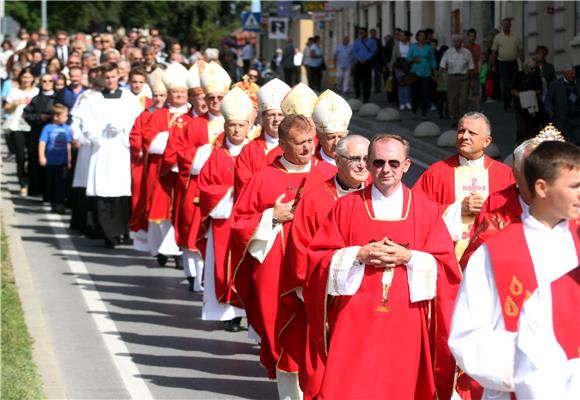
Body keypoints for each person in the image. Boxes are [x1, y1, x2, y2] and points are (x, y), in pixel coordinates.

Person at [305, 134, 460, 399]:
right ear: (367, 163)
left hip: (407, 320)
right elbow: (317, 259)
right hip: (355, 321)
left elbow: (447, 269)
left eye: (393, 163)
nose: (385, 170)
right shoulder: (346, 207)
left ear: (407, 165)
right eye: (378, 162)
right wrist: (357, 254)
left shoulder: (425, 211)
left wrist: (409, 257)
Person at [450, 140, 580, 400]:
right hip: (516, 390)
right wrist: (535, 371)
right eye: (574, 186)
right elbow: (467, 336)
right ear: (541, 187)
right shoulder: (494, 253)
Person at [229, 114, 328, 399]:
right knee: (283, 335)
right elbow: (239, 223)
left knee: (317, 335)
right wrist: (271, 217)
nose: (308, 148)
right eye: (299, 143)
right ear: (282, 144)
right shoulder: (264, 177)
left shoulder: (327, 176)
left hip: (314, 271)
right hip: (276, 272)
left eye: (311, 141)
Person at [278, 94, 366, 397]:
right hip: (324, 297)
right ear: (337, 162)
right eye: (353, 159)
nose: (361, 165)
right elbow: (301, 250)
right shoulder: (316, 199)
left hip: (368, 299)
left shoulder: (380, 198)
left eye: (366, 160)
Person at [413, 112, 514, 260]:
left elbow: (515, 214)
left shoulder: (504, 175)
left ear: (486, 141)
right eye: (461, 131)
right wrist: (458, 209)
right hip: (448, 256)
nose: (464, 136)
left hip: (492, 256)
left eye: (471, 133)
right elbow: (418, 211)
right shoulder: (438, 172)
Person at [197, 87, 253, 332]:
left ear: (248, 126)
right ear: (226, 126)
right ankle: (229, 313)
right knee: (223, 266)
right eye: (232, 125)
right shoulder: (217, 155)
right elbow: (205, 187)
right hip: (223, 219)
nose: (237, 130)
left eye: (241, 125)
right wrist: (228, 191)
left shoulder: (254, 152)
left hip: (249, 220)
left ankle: (247, 312)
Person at [174, 61, 230, 291]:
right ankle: (197, 279)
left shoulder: (237, 122)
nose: (215, 102)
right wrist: (204, 154)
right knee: (195, 229)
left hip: (226, 189)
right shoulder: (194, 124)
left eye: (219, 98)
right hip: (198, 185)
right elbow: (181, 153)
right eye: (211, 98)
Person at [82, 62, 142, 248]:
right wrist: (101, 130)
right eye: (107, 77)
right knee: (101, 190)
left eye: (113, 76)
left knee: (120, 190)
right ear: (102, 78)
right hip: (101, 148)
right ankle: (107, 233)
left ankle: (120, 230)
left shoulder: (129, 99)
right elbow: (86, 124)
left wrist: (124, 127)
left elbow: (138, 121)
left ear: (119, 76)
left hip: (120, 148)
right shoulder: (94, 100)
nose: (110, 80)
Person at [142, 63, 192, 267]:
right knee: (161, 212)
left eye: (182, 92)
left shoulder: (192, 115)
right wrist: (173, 140)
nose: (178, 95)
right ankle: (162, 249)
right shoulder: (159, 115)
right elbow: (150, 141)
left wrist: (173, 141)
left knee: (182, 211)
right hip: (162, 171)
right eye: (175, 92)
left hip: (185, 171)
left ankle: (178, 249)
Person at [127, 68, 168, 252]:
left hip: (167, 164)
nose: (159, 99)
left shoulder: (172, 115)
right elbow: (135, 136)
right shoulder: (144, 114)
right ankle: (149, 241)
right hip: (146, 165)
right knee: (145, 199)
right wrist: (142, 148)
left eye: (162, 95)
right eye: (156, 95)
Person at [233, 78, 291, 197]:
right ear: (262, 118)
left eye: (280, 115)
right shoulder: (248, 150)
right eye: (271, 115)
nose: (276, 119)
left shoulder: (294, 147)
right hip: (256, 209)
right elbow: (243, 184)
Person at [4, 67, 39, 196]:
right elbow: (6, 109)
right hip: (17, 126)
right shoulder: (14, 91)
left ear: (33, 79)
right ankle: (22, 183)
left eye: (29, 77)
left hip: (32, 127)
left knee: (31, 156)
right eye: (24, 77)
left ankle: (31, 182)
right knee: (20, 156)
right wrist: (16, 103)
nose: (26, 80)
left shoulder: (37, 91)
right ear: (20, 78)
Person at [23, 73, 57, 198]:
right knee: (35, 162)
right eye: (44, 81)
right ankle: (36, 189)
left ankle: (50, 192)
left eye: (50, 81)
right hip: (37, 134)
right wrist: (39, 117)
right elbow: (26, 115)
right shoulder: (36, 99)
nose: (47, 83)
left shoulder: (57, 97)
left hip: (54, 137)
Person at [38, 104, 72, 214]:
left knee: (61, 183)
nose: (67, 118)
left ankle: (60, 204)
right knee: (51, 182)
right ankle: (53, 202)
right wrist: (42, 156)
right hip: (51, 160)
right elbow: (42, 142)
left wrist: (69, 159)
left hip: (62, 161)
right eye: (64, 116)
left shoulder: (67, 128)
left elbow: (68, 145)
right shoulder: (48, 128)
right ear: (56, 116)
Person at [439, 34, 474, 126]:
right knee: (452, 100)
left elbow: (471, 67)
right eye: (454, 41)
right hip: (452, 77)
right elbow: (442, 65)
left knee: (463, 100)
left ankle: (463, 120)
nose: (456, 43)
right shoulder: (448, 52)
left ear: (461, 42)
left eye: (458, 41)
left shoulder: (467, 53)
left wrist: (472, 81)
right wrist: (440, 76)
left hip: (464, 78)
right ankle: (454, 119)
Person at [490, 18, 523, 112]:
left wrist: (523, 62)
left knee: (514, 83)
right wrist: (493, 65)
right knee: (505, 84)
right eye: (504, 24)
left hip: (513, 62)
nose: (506, 26)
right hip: (502, 62)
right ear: (502, 25)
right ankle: (506, 104)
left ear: (510, 25)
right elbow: (494, 52)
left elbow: (520, 50)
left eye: (508, 24)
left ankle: (514, 102)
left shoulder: (515, 37)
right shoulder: (498, 37)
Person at [545, 64, 580, 145]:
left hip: (577, 117)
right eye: (571, 74)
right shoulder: (555, 85)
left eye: (574, 73)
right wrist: (550, 110)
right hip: (563, 118)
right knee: (562, 141)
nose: (573, 75)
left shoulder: (578, 82)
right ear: (565, 74)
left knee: (578, 139)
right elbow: (548, 99)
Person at [511, 59, 544, 142]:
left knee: (533, 127)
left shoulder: (536, 75)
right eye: (531, 68)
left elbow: (540, 89)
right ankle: (519, 143)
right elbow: (512, 90)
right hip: (519, 105)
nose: (533, 70)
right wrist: (521, 95)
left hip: (533, 104)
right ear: (526, 67)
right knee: (522, 127)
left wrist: (530, 94)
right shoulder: (518, 75)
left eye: (534, 68)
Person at [407, 30, 436, 120]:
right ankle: (414, 111)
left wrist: (435, 73)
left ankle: (424, 113)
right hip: (415, 73)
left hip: (426, 73)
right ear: (417, 37)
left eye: (424, 36)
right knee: (414, 94)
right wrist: (413, 60)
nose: (422, 38)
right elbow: (408, 58)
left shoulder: (428, 48)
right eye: (420, 36)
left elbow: (432, 61)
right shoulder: (413, 47)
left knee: (425, 94)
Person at [352, 28, 377, 103]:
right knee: (356, 80)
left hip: (367, 63)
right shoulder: (356, 42)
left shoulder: (372, 41)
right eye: (360, 33)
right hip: (358, 62)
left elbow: (374, 51)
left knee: (367, 81)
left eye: (362, 32)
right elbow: (354, 51)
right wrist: (359, 59)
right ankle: (357, 93)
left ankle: (366, 97)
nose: (361, 34)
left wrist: (366, 58)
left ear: (366, 33)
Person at [389, 30, 412, 110]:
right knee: (401, 84)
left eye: (402, 35)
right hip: (399, 66)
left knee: (408, 84)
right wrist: (391, 67)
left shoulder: (411, 45)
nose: (400, 37)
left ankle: (408, 101)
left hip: (408, 66)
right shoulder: (397, 45)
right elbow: (393, 56)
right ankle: (402, 102)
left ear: (406, 37)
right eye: (400, 35)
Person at [465, 29, 482, 112]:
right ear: (468, 37)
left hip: (475, 71)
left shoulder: (477, 47)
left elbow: (477, 57)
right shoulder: (464, 47)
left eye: (473, 36)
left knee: (476, 92)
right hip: (466, 72)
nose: (472, 38)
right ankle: (464, 109)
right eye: (470, 36)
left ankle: (478, 110)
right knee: (465, 92)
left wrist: (479, 68)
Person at [370, 28, 384, 94]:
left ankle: (377, 88)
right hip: (369, 60)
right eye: (372, 33)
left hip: (377, 60)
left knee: (377, 75)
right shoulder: (368, 41)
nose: (373, 34)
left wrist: (382, 60)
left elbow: (381, 51)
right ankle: (369, 87)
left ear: (376, 34)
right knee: (368, 75)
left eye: (374, 33)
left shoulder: (378, 40)